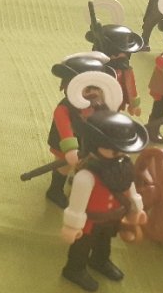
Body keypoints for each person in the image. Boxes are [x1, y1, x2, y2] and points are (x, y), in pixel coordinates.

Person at [61, 108, 148, 292]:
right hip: (89, 222)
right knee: (82, 246)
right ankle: (74, 269)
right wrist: (72, 226)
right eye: (114, 150)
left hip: (111, 217)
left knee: (104, 241)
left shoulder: (123, 168)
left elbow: (129, 187)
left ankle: (100, 260)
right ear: (95, 145)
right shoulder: (86, 176)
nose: (120, 154)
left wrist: (136, 207)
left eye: (123, 150)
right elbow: (77, 205)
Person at [45, 53, 115, 208]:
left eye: (96, 87)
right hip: (64, 143)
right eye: (86, 87)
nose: (92, 92)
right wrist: (70, 149)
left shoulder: (99, 105)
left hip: (87, 141)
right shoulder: (65, 108)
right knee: (63, 167)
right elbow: (64, 127)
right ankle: (55, 190)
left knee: (86, 163)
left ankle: (79, 181)